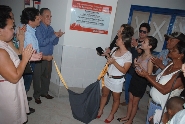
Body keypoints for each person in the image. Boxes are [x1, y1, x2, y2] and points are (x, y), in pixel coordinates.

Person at [136, 32, 185, 124]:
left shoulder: (180, 73)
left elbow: (164, 89)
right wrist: (145, 74)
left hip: (163, 108)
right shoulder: (170, 64)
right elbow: (157, 77)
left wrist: (146, 76)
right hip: (153, 104)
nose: (171, 50)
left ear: (180, 55)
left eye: (174, 50)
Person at [0, 10, 34, 124]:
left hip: (13, 88)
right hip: (8, 91)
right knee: (11, 117)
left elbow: (17, 55)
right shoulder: (1, 51)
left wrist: (21, 40)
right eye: (11, 28)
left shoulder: (5, 42)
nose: (14, 31)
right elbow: (14, 77)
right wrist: (25, 59)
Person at [117, 36, 157, 124]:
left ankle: (130, 120)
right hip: (135, 77)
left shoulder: (151, 59)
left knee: (135, 103)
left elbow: (149, 74)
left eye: (144, 42)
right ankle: (127, 116)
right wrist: (135, 64)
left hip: (141, 81)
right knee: (130, 100)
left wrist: (140, 66)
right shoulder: (141, 54)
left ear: (150, 46)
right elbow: (135, 67)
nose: (142, 43)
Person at [97, 27, 133, 123]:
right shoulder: (114, 49)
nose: (116, 40)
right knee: (104, 94)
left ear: (124, 41)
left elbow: (124, 70)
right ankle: (100, 109)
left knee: (116, 99)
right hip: (107, 76)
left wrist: (114, 62)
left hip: (117, 80)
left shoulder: (128, 55)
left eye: (119, 39)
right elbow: (110, 60)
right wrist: (106, 55)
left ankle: (111, 115)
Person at [33, 8, 64, 104]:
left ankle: (44, 92)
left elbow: (54, 42)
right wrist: (53, 36)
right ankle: (37, 95)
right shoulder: (38, 28)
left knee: (47, 76)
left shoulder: (50, 28)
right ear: (41, 17)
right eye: (47, 16)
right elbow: (41, 42)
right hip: (40, 57)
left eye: (50, 16)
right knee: (37, 77)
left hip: (49, 57)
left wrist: (57, 36)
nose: (49, 18)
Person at [121, 23, 151, 106]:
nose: (141, 33)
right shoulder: (135, 41)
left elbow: (142, 55)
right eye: (140, 31)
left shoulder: (146, 45)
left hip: (139, 70)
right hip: (130, 66)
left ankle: (134, 105)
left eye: (144, 32)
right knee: (127, 87)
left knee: (135, 90)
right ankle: (128, 101)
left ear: (147, 33)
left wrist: (136, 46)